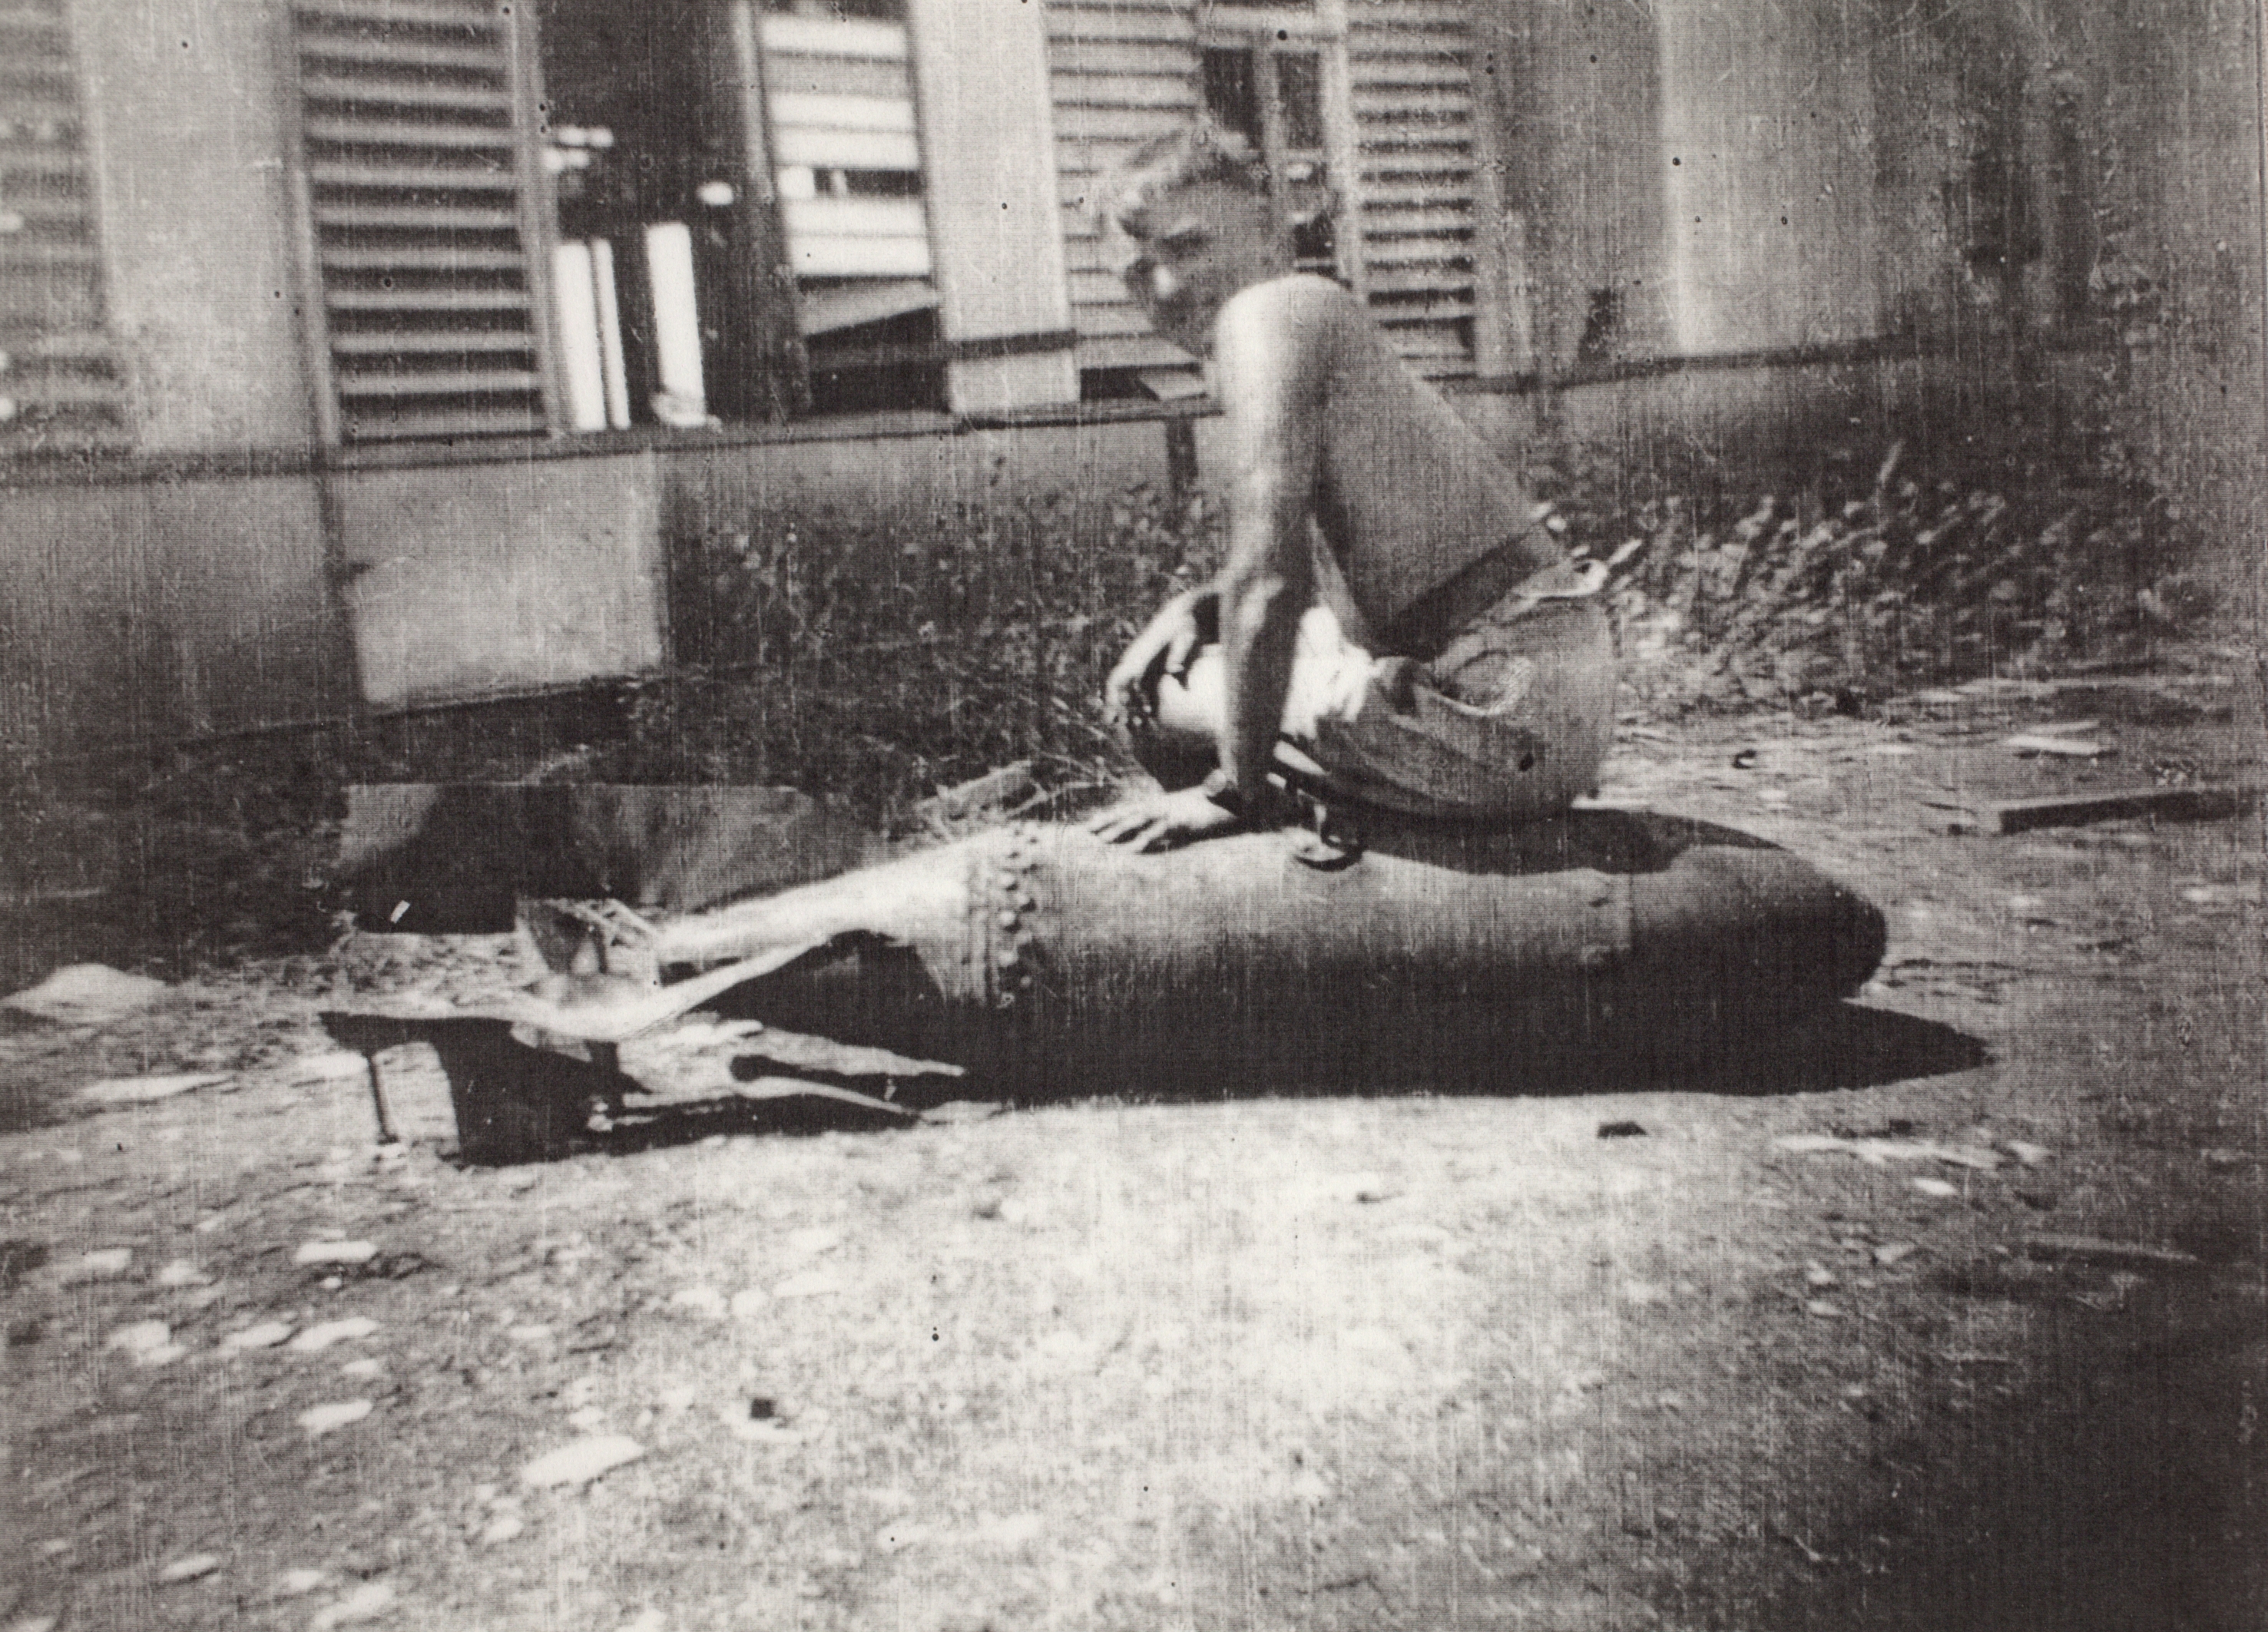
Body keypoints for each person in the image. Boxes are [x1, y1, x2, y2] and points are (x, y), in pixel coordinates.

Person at [1083, 124, 1616, 853]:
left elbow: (1266, 582)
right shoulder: (1299, 320)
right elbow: (1314, 571)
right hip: (1541, 692)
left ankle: (1268, 841)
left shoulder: (1269, 313)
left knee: (1151, 698)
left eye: (1187, 246)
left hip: (1500, 706)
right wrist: (1197, 605)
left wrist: (1231, 788)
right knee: (1208, 663)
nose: (1166, 287)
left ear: (1271, 229)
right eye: (1138, 273)